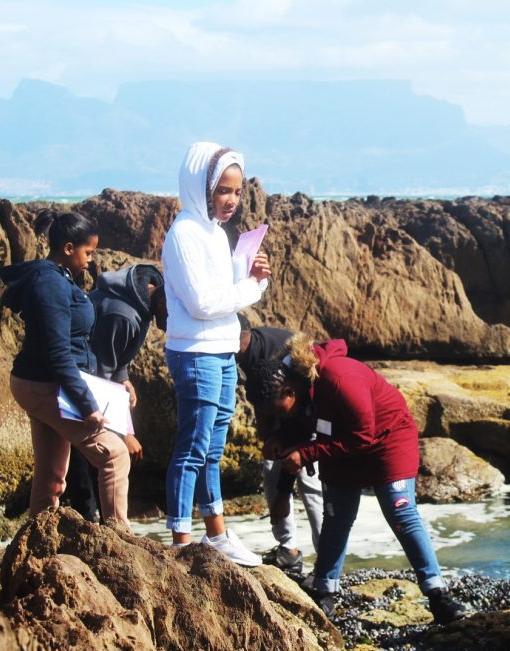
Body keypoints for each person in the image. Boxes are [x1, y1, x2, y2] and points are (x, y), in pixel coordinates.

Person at [245, 334, 469, 624]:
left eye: (277, 411)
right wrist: (279, 440)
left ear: (289, 391)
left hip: (387, 437)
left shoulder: (340, 379)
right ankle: (324, 591)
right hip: (336, 439)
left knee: (400, 512)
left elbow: (363, 436)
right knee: (336, 514)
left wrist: (307, 453)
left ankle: (438, 593)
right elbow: (297, 427)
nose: (277, 416)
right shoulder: (293, 389)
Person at [160, 141, 271, 565]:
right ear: (200, 186)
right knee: (192, 446)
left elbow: (223, 290)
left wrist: (249, 273)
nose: (232, 200)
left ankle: (217, 534)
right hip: (196, 353)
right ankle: (180, 543)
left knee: (211, 449)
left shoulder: (215, 233)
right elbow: (203, 303)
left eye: (237, 191)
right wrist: (252, 289)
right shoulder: (184, 232)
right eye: (223, 190)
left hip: (222, 350)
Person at [0, 208, 131, 525]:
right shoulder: (49, 284)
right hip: (45, 385)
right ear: (68, 248)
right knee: (114, 455)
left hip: (42, 383)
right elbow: (58, 353)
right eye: (88, 252)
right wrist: (87, 405)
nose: (90, 259)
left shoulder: (58, 278)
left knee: (52, 477)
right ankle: (121, 543)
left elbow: (69, 346)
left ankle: (35, 549)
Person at [64, 264, 166, 521]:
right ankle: (91, 525)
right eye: (177, 313)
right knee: (90, 457)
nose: (174, 323)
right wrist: (125, 433)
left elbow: (114, 360)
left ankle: (104, 526)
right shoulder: (123, 314)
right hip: (77, 389)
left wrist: (123, 378)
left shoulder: (141, 303)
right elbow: (98, 378)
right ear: (165, 298)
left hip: (92, 383)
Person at [235, 322, 324, 574]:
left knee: (311, 482)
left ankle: (325, 555)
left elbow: (297, 400)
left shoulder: (278, 351)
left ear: (241, 334)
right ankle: (289, 549)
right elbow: (262, 405)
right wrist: (270, 438)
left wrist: (289, 443)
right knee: (272, 465)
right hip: (282, 415)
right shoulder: (243, 357)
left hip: (308, 412)